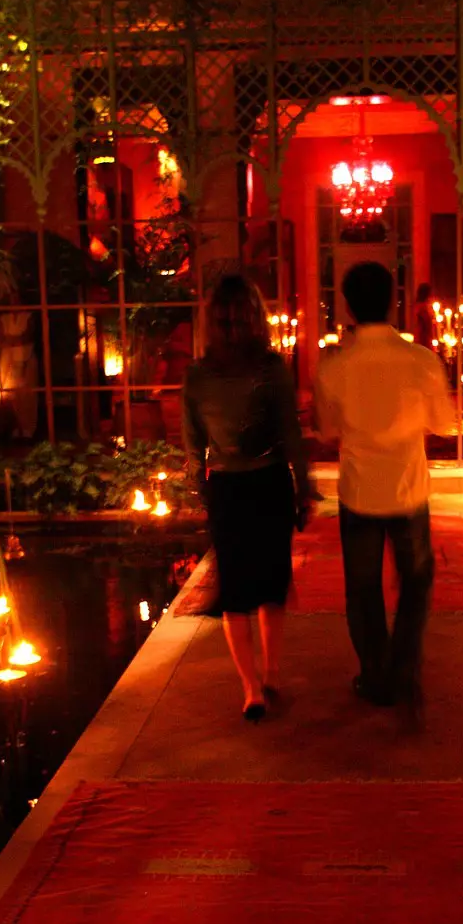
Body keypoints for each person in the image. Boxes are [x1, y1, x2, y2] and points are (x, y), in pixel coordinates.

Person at [314, 260, 458, 722]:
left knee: (363, 588)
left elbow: (326, 430)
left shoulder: (335, 366)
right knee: (416, 582)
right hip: (407, 488)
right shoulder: (421, 361)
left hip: (359, 489)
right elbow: (444, 423)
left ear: (349, 307)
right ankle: (404, 668)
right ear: (393, 302)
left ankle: (375, 675)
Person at [183, 274, 315, 722]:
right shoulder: (270, 368)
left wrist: (203, 492)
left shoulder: (200, 375)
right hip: (267, 483)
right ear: (256, 317)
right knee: (268, 585)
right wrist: (303, 487)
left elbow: (193, 444)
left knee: (237, 590)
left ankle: (253, 686)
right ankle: (267, 675)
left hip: (229, 488)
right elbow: (291, 434)